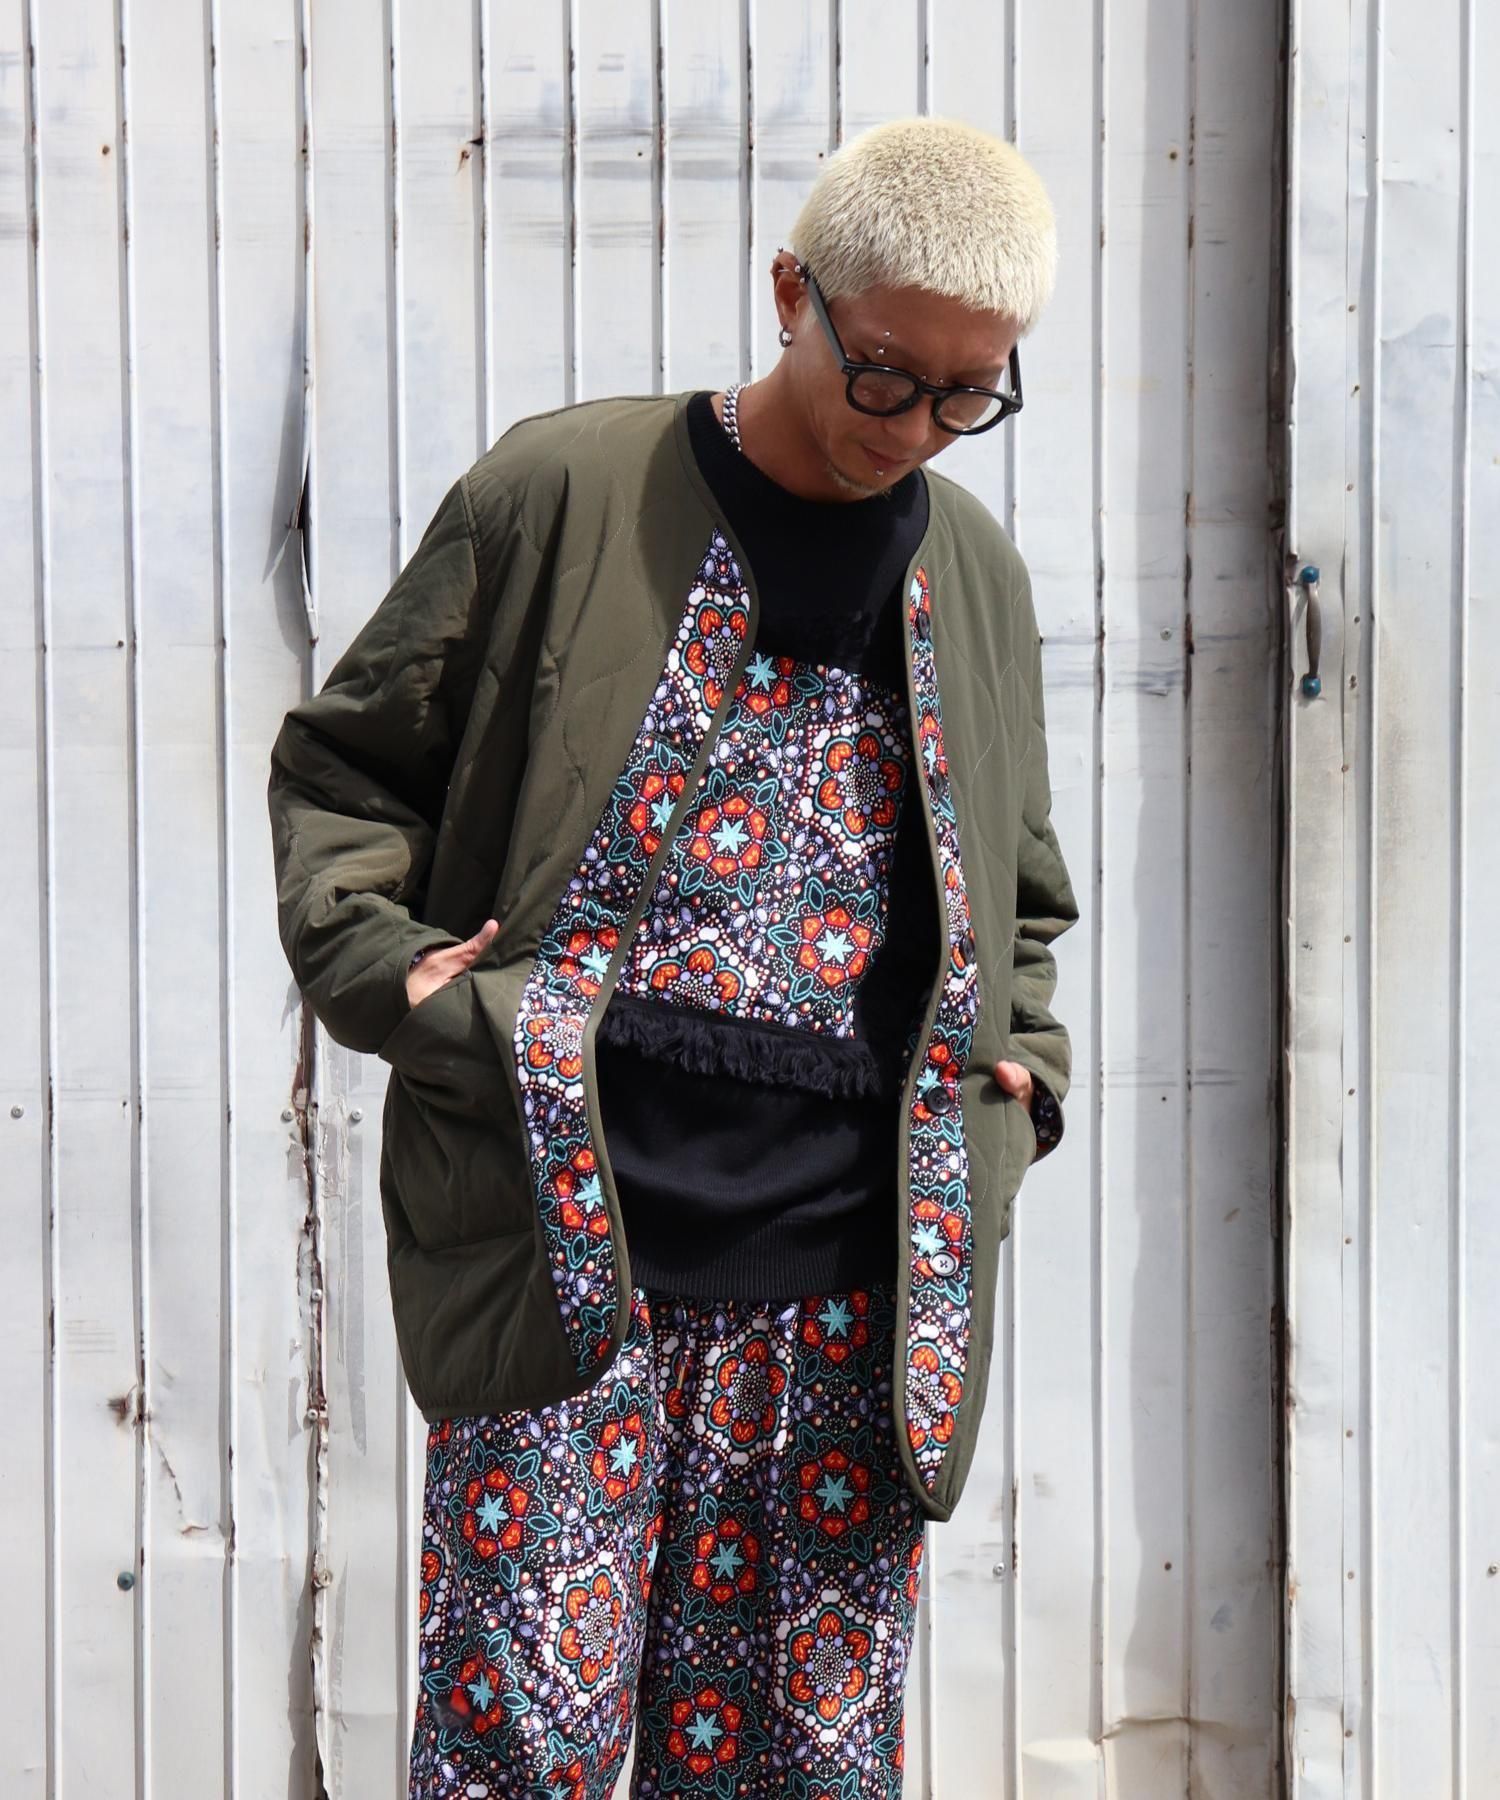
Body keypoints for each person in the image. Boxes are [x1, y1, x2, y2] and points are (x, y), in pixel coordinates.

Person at [269, 114, 1078, 1800]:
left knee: (807, 1769)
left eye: (965, 395)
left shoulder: (976, 573)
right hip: (568, 1252)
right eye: (884, 374)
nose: (914, 427)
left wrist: (1021, 1079)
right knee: (520, 1756)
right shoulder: (562, 492)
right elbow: (349, 772)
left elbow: (1018, 895)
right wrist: (397, 979)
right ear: (791, 293)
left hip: (859, 1296)